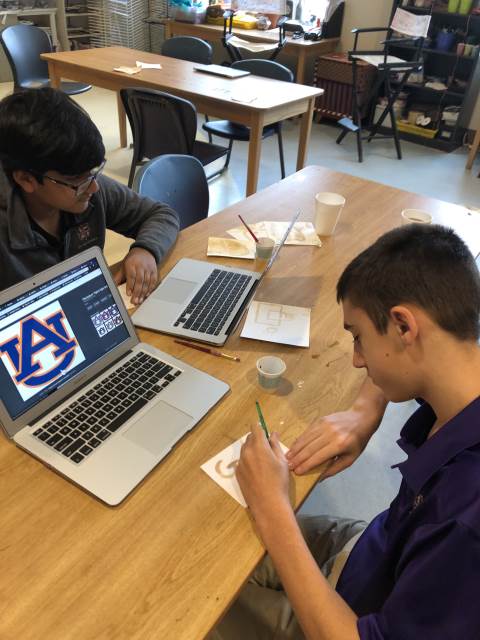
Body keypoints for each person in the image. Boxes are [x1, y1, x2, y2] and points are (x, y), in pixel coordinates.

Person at [210, 224, 480, 639]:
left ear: (404, 327)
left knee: (200, 602)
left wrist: (273, 510)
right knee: (226, 549)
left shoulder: (465, 521)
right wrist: (364, 411)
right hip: (374, 551)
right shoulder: (461, 369)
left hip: (355, 620)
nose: (357, 361)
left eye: (358, 338)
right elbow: (407, 359)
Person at [0, 88, 180, 304]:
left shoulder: (86, 185)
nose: (93, 187)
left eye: (94, 172)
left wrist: (145, 249)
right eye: (77, 179)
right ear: (26, 179)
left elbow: (160, 214)